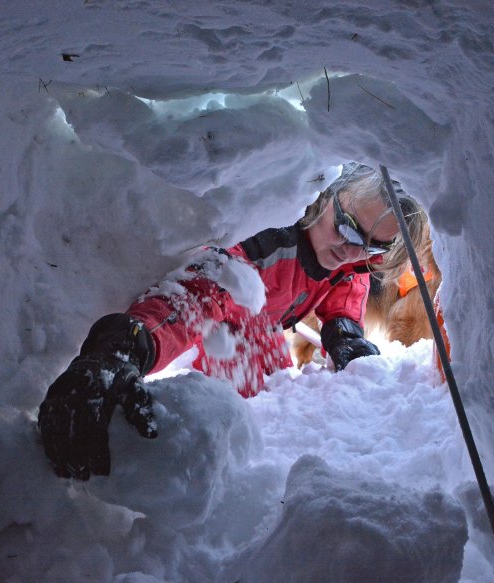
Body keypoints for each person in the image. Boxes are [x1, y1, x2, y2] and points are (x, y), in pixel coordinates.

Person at [38, 163, 427, 479]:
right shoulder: (265, 239)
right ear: (324, 194)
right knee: (237, 430)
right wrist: (123, 349)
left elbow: (349, 280)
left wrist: (344, 331)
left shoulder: (351, 255)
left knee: (277, 417)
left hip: (263, 333)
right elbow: (194, 297)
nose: (350, 250)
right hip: (225, 336)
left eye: (372, 246)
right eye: (346, 229)